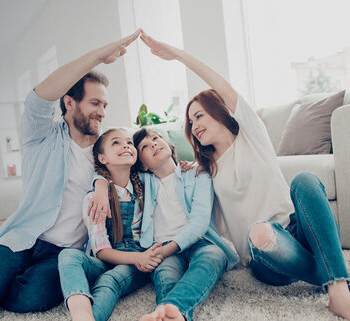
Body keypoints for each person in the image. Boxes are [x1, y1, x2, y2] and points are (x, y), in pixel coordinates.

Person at [139, 30, 350, 320]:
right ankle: (334, 271)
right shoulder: (205, 170)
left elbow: (221, 85)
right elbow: (182, 200)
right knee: (260, 232)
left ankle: (338, 288)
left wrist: (177, 55)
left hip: (298, 231)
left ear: (219, 110)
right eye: (190, 121)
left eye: (199, 115)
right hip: (265, 256)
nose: (195, 125)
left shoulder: (252, 134)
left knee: (305, 180)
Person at [0, 30, 141, 313]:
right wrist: (98, 57)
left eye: (105, 105)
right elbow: (36, 101)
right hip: (25, 237)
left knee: (32, 300)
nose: (102, 112)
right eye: (94, 103)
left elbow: (142, 161)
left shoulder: (104, 151)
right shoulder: (40, 136)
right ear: (69, 102)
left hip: (64, 252)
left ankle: (8, 281)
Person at [92, 128, 239, 321]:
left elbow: (199, 223)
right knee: (166, 276)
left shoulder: (197, 173)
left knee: (213, 256)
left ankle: (168, 309)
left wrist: (165, 251)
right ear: (142, 164)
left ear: (169, 145)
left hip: (200, 242)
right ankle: (169, 314)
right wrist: (100, 184)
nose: (153, 143)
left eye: (156, 138)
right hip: (160, 246)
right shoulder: (142, 182)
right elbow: (115, 173)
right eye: (145, 146)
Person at [58, 128, 164, 321]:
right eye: (116, 142)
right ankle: (81, 314)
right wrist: (100, 184)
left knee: (110, 280)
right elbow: (101, 251)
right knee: (68, 255)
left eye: (129, 143)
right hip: (104, 260)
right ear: (102, 158)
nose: (126, 145)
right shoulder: (95, 199)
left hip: (136, 260)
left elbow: (166, 170)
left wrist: (185, 165)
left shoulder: (145, 185)